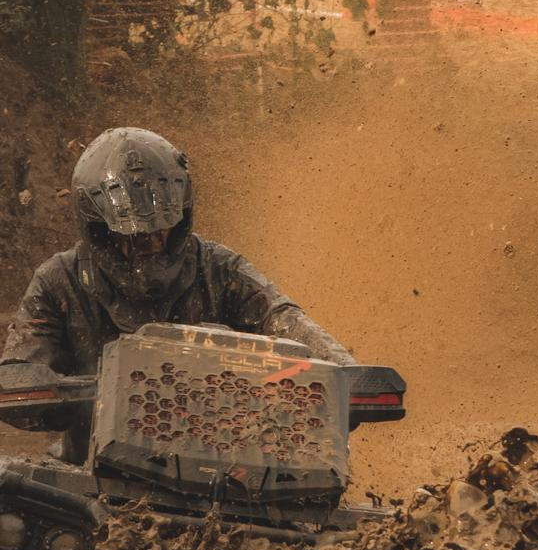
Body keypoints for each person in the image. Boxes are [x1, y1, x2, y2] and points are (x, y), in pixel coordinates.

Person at [0, 129, 352, 461]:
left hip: (235, 472)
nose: (152, 240)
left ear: (181, 217)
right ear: (100, 231)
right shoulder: (58, 281)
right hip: (92, 479)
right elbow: (17, 375)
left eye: (162, 228)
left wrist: (346, 372)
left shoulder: (220, 268)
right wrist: (52, 396)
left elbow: (285, 319)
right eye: (134, 235)